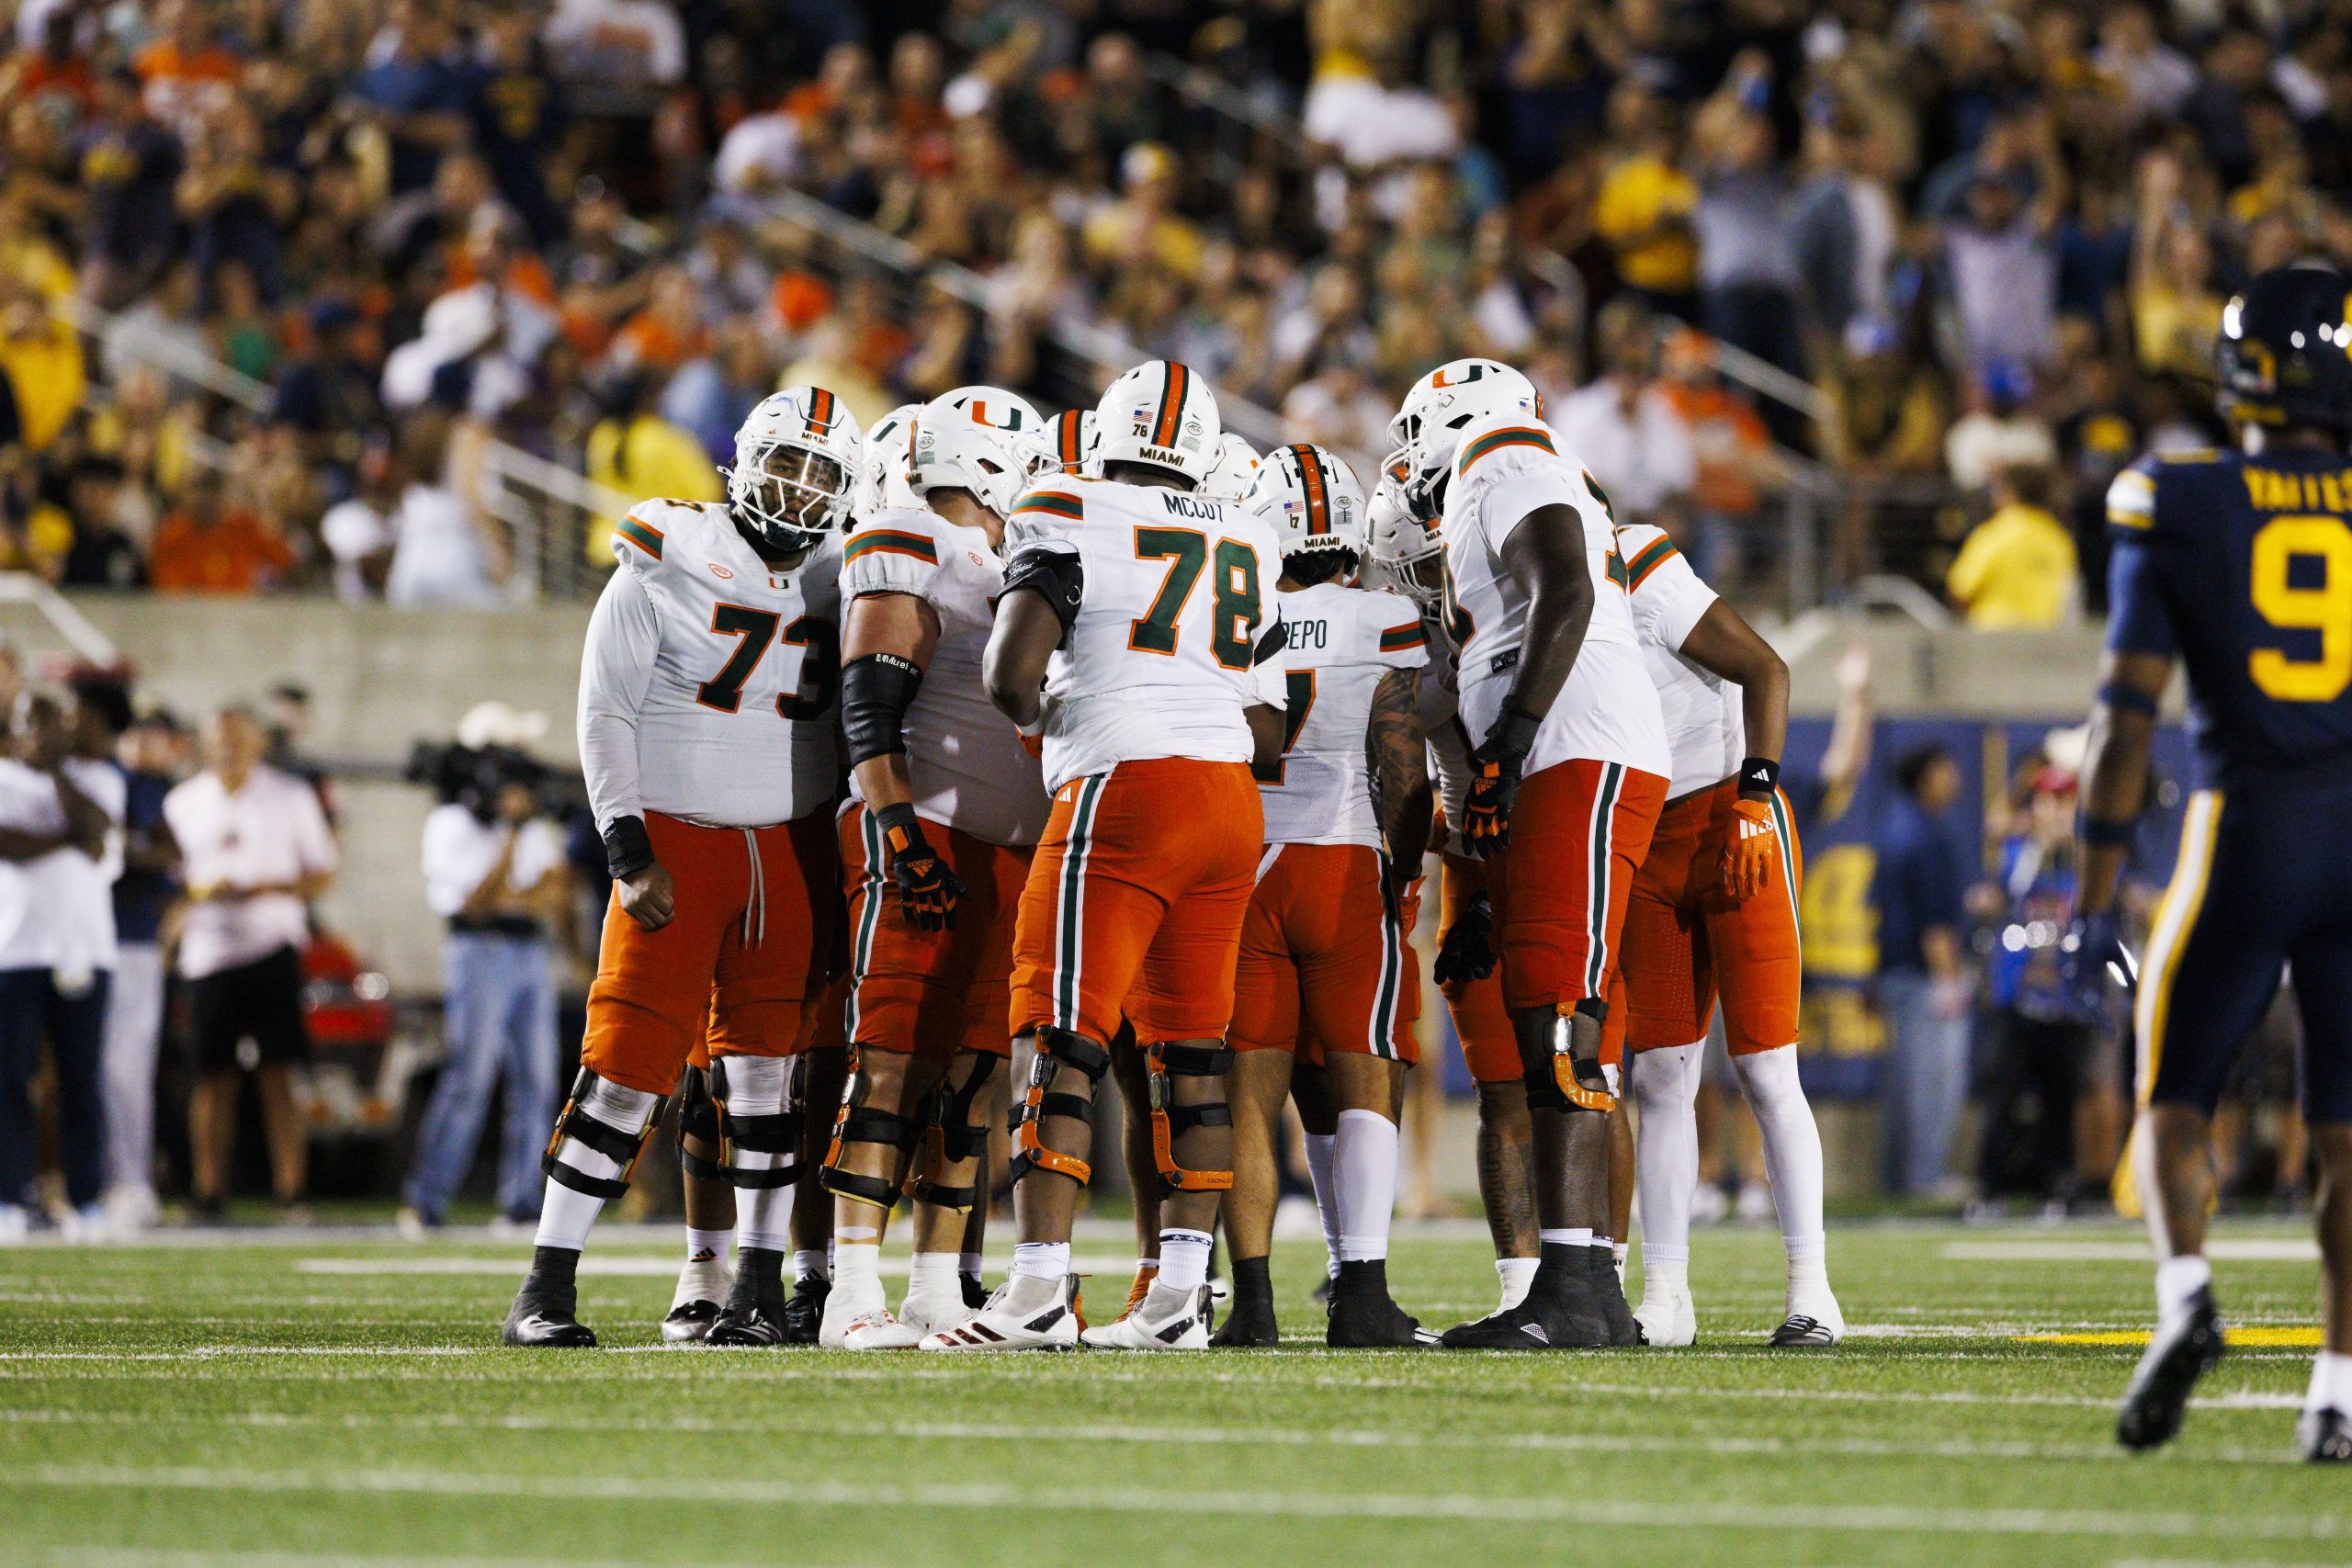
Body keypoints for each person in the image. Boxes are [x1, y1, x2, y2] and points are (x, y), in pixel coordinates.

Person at [926, 359, 1281, 1351]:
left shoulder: (1066, 506)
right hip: (1227, 795)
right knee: (1190, 1055)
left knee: (1059, 1035)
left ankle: (1038, 1287)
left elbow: (1009, 672)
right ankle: (1176, 1298)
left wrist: (1051, 721)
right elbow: (1257, 704)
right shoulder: (1245, 529)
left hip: (1124, 786)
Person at [503, 388, 855, 1348]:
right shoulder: (670, 553)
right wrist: (625, 846)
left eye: (822, 472)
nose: (799, 486)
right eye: (787, 463)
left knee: (764, 1083)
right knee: (624, 1073)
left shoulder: (845, 571)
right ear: (745, 463)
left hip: (786, 850)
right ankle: (545, 1286)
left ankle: (752, 1288)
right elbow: (603, 712)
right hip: (680, 842)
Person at [2071, 265, 2352, 1461]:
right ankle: (2338, 1390)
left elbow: (2126, 716)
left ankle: (2187, 1290)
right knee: (2345, 1132)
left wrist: (2090, 899)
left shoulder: (2174, 497)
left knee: (2171, 1092)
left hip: (2250, 820)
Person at [1386, 357, 1671, 1350]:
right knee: (1545, 1014)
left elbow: (1564, 589)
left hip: (1574, 751)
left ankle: (1578, 1293)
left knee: (1561, 1024)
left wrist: (1511, 738)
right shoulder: (1496, 470)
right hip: (1562, 753)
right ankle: (1578, 1287)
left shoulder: (1501, 456)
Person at [815, 386, 1049, 1348]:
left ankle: (934, 1288)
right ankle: (849, 1290)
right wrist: (900, 834)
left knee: (971, 1074)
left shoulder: (1004, 556)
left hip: (999, 846)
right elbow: (868, 706)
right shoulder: (906, 537)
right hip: (923, 833)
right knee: (891, 1060)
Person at [1217, 443, 1434, 1348]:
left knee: (1247, 1097)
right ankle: (1363, 1291)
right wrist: (1407, 867)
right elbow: (1404, 765)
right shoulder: (1383, 615)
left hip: (1250, 867)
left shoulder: (1238, 609)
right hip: (1343, 861)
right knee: (1362, 1081)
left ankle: (1254, 1305)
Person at [1609, 522, 1843, 1348]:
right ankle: (1666, 1295)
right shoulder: (1531, 605)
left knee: (1767, 1066)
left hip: (1731, 816)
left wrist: (1757, 792)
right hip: (1647, 835)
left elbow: (1766, 667)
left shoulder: (1629, 560)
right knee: (1662, 1077)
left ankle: (1812, 1288)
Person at [1370, 476, 1540, 1322]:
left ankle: (1607, 1276)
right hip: (1478, 860)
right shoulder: (1410, 652)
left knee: (1588, 1071)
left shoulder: (1543, 609)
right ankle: (1526, 1287)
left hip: (1555, 844)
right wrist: (1454, 868)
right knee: (1505, 1085)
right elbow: (1421, 788)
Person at [164, 705, 338, 1219]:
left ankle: (291, 1190)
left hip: (270, 943)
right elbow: (169, 882)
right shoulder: (184, 802)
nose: (228, 748)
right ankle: (208, 1189)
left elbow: (323, 872)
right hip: (207, 951)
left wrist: (268, 888)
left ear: (259, 743)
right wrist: (198, 895)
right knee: (210, 1076)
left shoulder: (289, 795)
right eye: (220, 739)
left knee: (277, 1072)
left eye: (238, 739)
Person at [400, 754, 569, 1233]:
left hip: (529, 952)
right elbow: (476, 905)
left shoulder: (534, 824)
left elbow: (555, 893)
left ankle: (521, 1201)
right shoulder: (452, 822)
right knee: (469, 1077)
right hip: (479, 951)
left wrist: (511, 893)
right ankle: (426, 1198)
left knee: (537, 1081)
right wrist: (511, 837)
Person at [0, 694, 115, 1241]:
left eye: (49, 724)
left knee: (81, 1081)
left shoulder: (95, 779)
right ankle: (11, 1198)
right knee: (9, 1081)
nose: (39, 735)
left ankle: (87, 1200)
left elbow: (98, 832)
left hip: (84, 950)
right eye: (29, 724)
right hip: (14, 951)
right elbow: (7, 843)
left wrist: (58, 780)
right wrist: (67, 838)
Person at [1872, 743, 1972, 1198]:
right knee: (1931, 1087)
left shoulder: (1896, 828)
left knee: (1906, 1086)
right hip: (1923, 976)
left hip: (1897, 973)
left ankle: (1903, 1176)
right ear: (1926, 776)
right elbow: (1935, 924)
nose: (1955, 779)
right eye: (1946, 769)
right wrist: (1949, 979)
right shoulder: (1925, 836)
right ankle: (1923, 1177)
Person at [100, 705, 182, 1232]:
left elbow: (164, 859)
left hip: (131, 940)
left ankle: (129, 1180)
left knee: (125, 1070)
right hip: (78, 937)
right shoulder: (104, 777)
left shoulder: (160, 791)